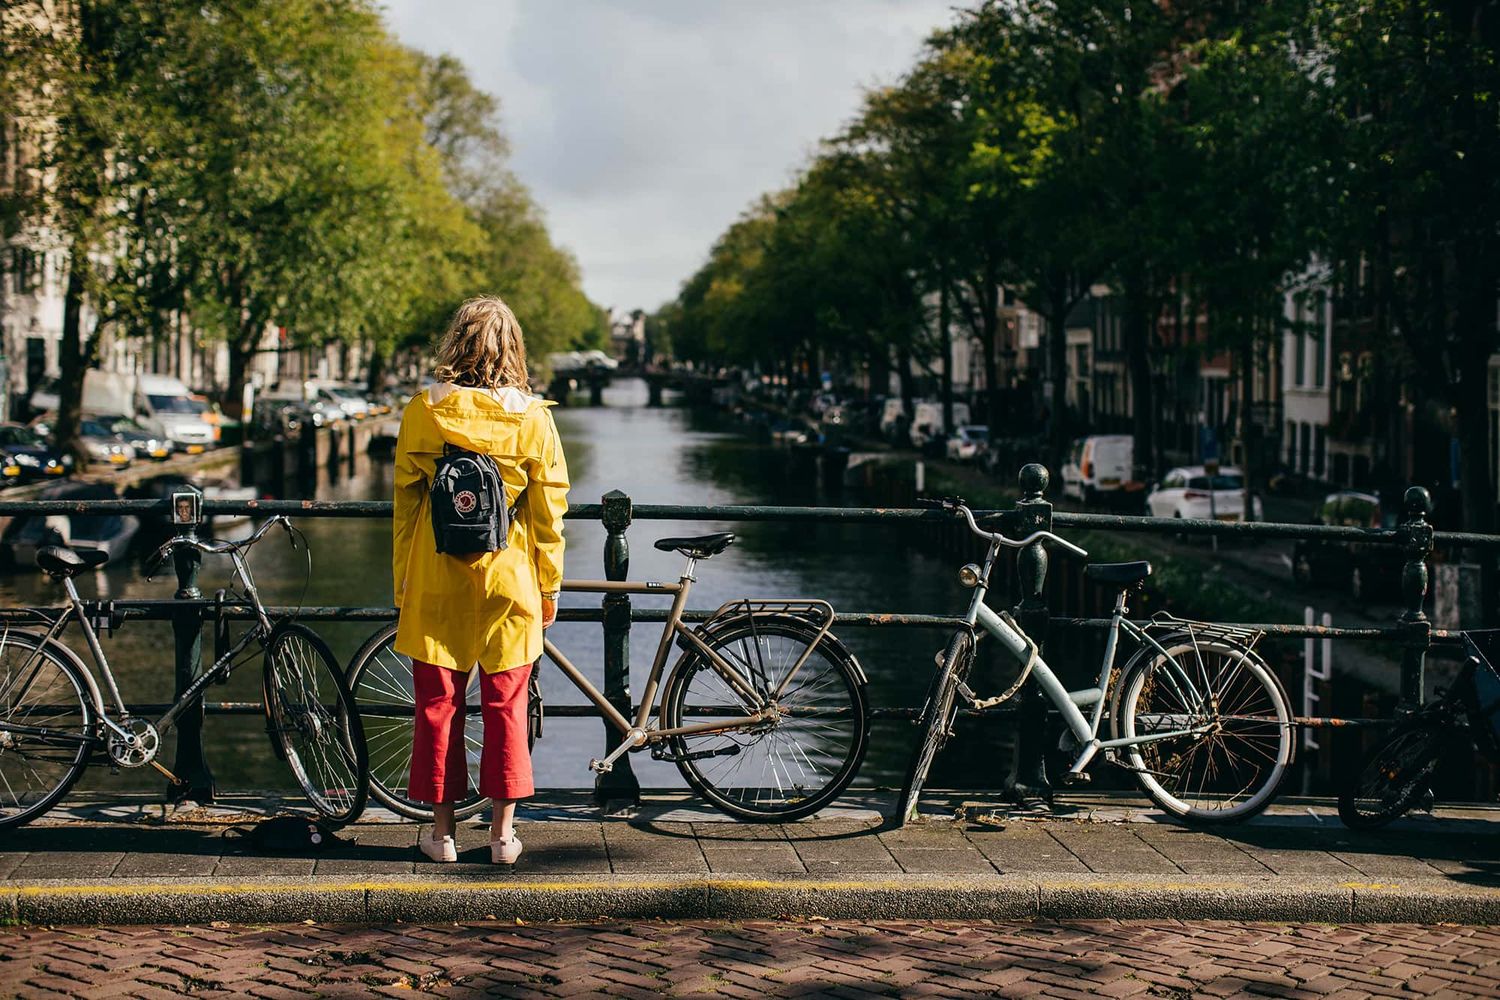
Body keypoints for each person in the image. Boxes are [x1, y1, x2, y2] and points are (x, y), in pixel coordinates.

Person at [392, 296, 569, 865]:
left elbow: (405, 507)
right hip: (509, 576)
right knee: (506, 704)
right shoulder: (535, 419)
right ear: (514, 347)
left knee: (438, 705)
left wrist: (403, 587)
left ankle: (441, 835)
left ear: (456, 344)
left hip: (436, 576)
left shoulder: (424, 410)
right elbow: (548, 515)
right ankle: (501, 837)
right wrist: (548, 587)